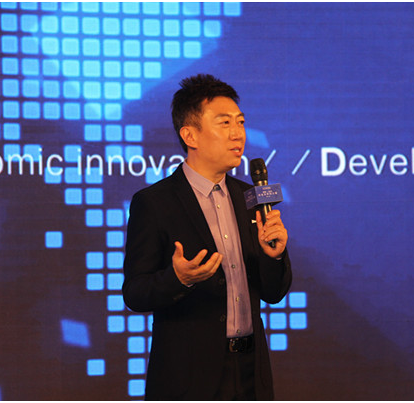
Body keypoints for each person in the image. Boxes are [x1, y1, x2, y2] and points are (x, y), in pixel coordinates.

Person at [122, 74, 292, 400]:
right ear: (190, 135)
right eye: (224, 123)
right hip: (189, 378)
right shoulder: (155, 203)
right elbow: (135, 293)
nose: (238, 133)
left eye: (240, 122)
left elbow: (273, 292)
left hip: (251, 372)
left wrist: (274, 257)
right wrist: (178, 279)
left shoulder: (250, 197)